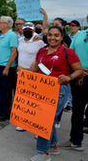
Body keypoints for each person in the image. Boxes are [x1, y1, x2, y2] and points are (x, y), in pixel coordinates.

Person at [29, 26, 83, 161]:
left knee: (45, 119)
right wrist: (28, 71)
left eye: (57, 35)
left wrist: (69, 77)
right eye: (50, 35)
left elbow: (79, 70)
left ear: (62, 37)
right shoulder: (41, 50)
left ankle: (43, 153)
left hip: (59, 90)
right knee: (48, 119)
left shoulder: (68, 52)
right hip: (42, 89)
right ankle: (53, 146)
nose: (53, 38)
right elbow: (35, 67)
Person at [59, 23, 88, 151]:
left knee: (78, 110)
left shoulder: (78, 35)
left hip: (82, 75)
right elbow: (70, 55)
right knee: (77, 110)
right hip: (80, 79)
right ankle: (76, 141)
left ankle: (76, 140)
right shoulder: (79, 35)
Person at [15, 22, 45, 132]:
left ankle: (33, 123)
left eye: (29, 29)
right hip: (21, 73)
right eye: (25, 29)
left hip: (33, 74)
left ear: (33, 30)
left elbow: (46, 53)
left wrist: (37, 63)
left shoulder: (39, 41)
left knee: (33, 101)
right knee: (23, 98)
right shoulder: (21, 40)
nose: (27, 30)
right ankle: (23, 121)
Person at [0, 16, 18, 121]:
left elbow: (14, 52)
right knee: (1, 88)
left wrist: (7, 67)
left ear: (6, 24)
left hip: (8, 67)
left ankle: (5, 112)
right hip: (0, 65)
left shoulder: (12, 35)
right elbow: (1, 52)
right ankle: (0, 108)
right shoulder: (2, 35)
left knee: (6, 90)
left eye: (0, 23)